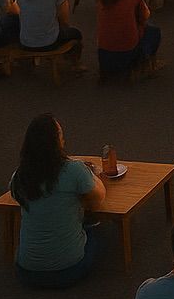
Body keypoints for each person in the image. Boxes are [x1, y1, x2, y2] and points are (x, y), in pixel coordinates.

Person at [10, 113, 106, 288]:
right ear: (55, 143)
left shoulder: (19, 177)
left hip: (26, 272)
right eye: (60, 135)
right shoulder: (73, 170)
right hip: (69, 271)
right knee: (97, 229)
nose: (64, 139)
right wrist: (92, 175)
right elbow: (98, 199)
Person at [95, 0, 162, 77]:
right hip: (127, 51)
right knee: (154, 31)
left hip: (104, 52)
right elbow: (146, 15)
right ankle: (149, 63)